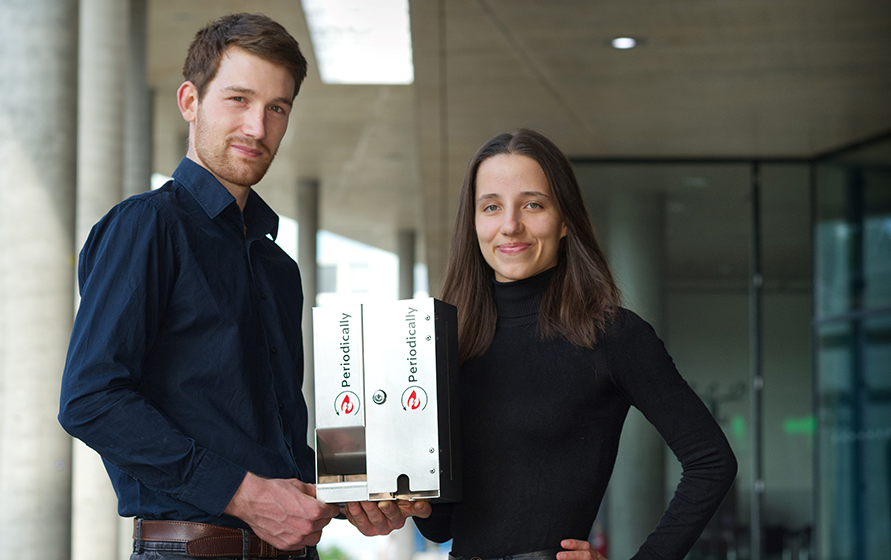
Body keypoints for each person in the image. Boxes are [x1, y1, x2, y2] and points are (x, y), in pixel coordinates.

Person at [58, 13, 422, 560]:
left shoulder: (278, 267)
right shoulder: (146, 226)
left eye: (277, 108)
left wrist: (355, 494)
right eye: (238, 99)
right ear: (190, 101)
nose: (258, 126)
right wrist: (244, 496)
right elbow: (90, 400)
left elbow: (270, 443)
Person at [410, 129, 738, 560]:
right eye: (491, 207)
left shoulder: (610, 336)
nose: (510, 225)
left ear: (565, 220)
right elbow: (439, 527)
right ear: (473, 224)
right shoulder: (445, 344)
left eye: (533, 204)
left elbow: (712, 462)